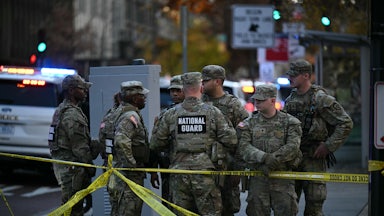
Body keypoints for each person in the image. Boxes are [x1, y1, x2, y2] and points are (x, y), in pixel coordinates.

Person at [150, 72, 238, 215]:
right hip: (205, 173)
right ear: (202, 88)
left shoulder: (170, 114)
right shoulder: (213, 112)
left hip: (178, 174)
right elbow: (231, 140)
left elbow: (155, 144)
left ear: (183, 90)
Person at [283, 59, 353, 216]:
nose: (290, 78)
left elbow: (345, 123)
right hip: (293, 157)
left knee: (314, 205)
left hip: (313, 157)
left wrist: (328, 146)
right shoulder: (290, 99)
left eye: (294, 75)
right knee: (287, 205)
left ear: (306, 76)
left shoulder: (320, 99)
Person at [237, 84, 302, 216]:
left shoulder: (290, 122)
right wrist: (264, 157)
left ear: (273, 100)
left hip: (283, 180)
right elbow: (244, 147)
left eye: (261, 100)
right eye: (256, 100)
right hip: (258, 180)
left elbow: (293, 146)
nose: (257, 103)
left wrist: (275, 158)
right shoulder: (249, 123)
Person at [201, 65, 249, 216]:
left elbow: (243, 137)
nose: (202, 84)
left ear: (217, 81)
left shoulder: (232, 104)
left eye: (206, 81)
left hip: (227, 166)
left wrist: (238, 169)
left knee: (227, 208)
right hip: (204, 166)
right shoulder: (199, 102)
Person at [48, 74, 99, 216]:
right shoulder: (72, 114)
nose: (85, 92)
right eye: (82, 89)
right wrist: (90, 167)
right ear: (71, 91)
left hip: (65, 167)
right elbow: (80, 148)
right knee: (73, 211)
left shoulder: (61, 110)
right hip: (73, 170)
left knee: (70, 208)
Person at [107, 81, 150, 216]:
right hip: (126, 177)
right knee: (128, 211)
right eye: (142, 96)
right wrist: (131, 165)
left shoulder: (115, 112)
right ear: (134, 98)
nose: (145, 98)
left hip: (117, 172)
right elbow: (121, 141)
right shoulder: (129, 116)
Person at [150, 75, 185, 206]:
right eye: (172, 91)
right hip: (169, 170)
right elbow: (155, 144)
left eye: (178, 90)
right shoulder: (164, 114)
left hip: (191, 171)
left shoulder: (198, 112)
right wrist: (153, 171)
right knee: (169, 207)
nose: (174, 94)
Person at [98, 92, 122, 167]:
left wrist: (105, 155)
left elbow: (101, 138)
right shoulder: (123, 115)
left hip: (109, 160)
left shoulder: (108, 115)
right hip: (120, 163)